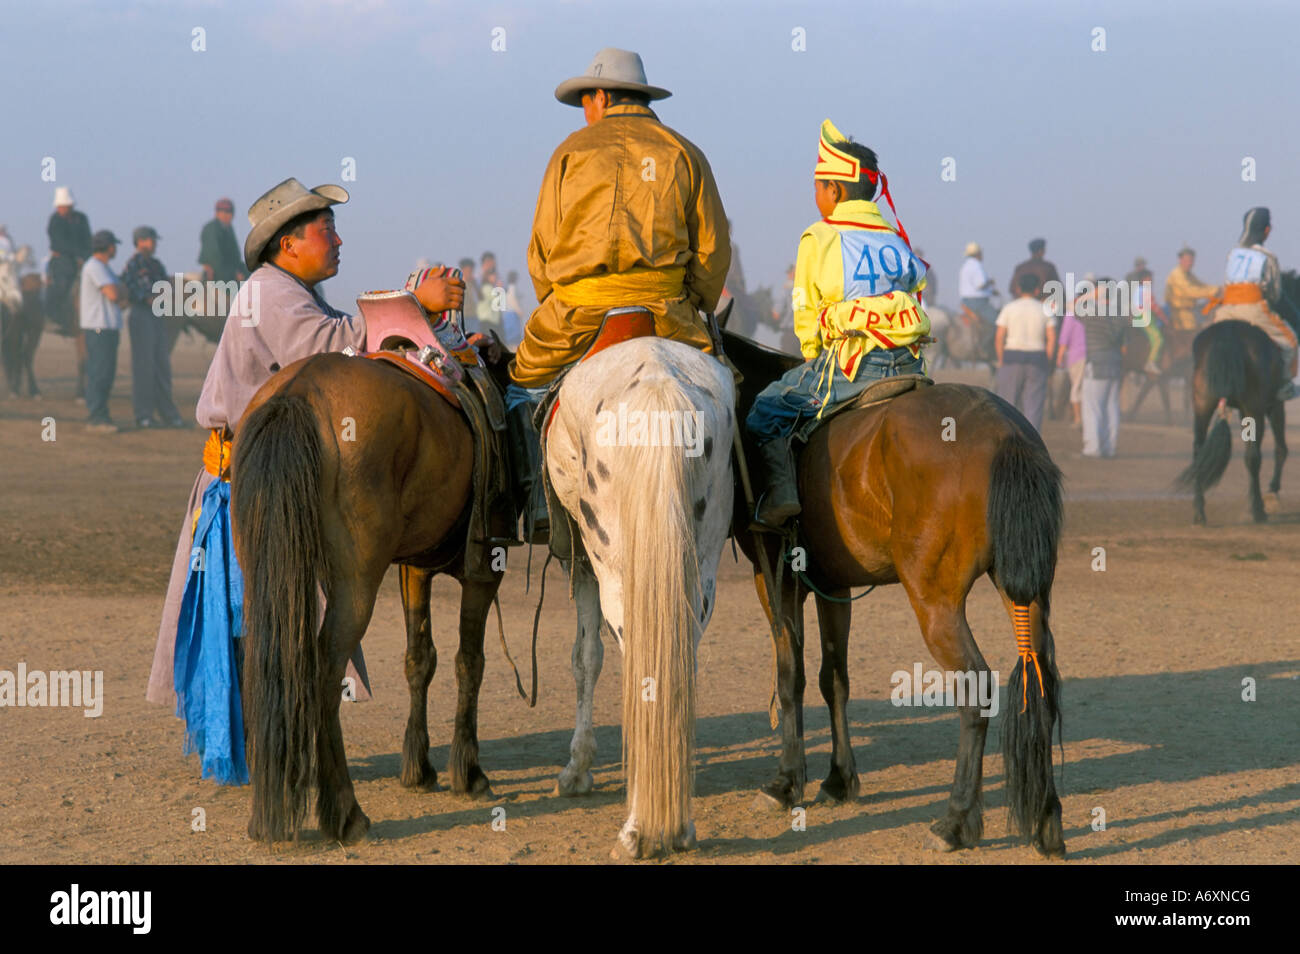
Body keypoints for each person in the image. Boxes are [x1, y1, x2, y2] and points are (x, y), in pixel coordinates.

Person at [146, 177, 464, 783]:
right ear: (288, 244)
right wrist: (413, 301)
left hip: (259, 478)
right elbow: (333, 349)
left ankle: (272, 753)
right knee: (259, 623)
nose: (339, 242)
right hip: (247, 486)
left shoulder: (286, 292)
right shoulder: (270, 293)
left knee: (264, 623)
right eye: (327, 232)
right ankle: (275, 755)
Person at [507, 47, 730, 538]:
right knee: (730, 392)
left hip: (576, 315)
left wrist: (556, 296)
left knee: (519, 390)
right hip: (667, 313)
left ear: (602, 96)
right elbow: (713, 254)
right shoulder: (685, 152)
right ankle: (750, 509)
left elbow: (541, 253)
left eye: (586, 100)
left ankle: (535, 501)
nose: (586, 113)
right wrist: (694, 301)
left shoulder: (570, 151)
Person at [746, 119, 928, 525]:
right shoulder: (895, 237)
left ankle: (780, 498)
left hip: (853, 367)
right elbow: (917, 286)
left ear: (835, 189)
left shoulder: (819, 236)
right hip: (910, 363)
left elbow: (806, 320)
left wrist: (813, 355)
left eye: (817, 186)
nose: (815, 195)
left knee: (765, 410)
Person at [1210, 207, 1297, 400]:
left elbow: (1227, 282)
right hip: (1253, 309)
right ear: (1266, 231)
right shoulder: (1268, 257)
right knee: (1290, 342)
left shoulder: (1232, 254)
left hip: (1225, 311)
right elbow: (1274, 294)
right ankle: (1284, 386)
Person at [120, 226, 185, 428]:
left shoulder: (156, 264)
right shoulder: (133, 264)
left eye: (153, 240)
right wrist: (155, 297)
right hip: (141, 316)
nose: (153, 243)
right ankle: (144, 415)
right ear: (139, 241)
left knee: (162, 367)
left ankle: (168, 414)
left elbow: (166, 288)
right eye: (149, 240)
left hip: (158, 316)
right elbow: (138, 292)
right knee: (144, 367)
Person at [994, 271, 1056, 432]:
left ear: (1019, 289)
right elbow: (1051, 339)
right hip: (1037, 359)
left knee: (1007, 405)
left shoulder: (1009, 308)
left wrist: (1001, 360)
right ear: (1037, 290)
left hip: (1012, 357)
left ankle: (1007, 439)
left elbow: (999, 337)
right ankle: (1031, 444)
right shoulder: (1045, 309)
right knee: (1034, 407)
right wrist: (1047, 362)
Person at [79, 230, 125, 432]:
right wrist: (122, 291)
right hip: (99, 327)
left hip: (106, 327)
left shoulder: (103, 268)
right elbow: (114, 293)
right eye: (113, 245)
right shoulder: (95, 266)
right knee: (99, 374)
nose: (115, 248)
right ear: (108, 247)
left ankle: (101, 415)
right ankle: (96, 417)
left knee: (105, 374)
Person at [1079, 278, 1127, 457]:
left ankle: (1093, 448)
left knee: (1093, 407)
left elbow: (1072, 306)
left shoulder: (1091, 312)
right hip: (1115, 362)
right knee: (1112, 407)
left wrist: (1092, 294)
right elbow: (1124, 344)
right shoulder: (1119, 315)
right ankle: (1109, 447)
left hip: (1096, 362)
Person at [46, 186, 92, 336]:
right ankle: (57, 318)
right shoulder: (55, 220)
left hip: (83, 258)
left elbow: (88, 239)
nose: (61, 209)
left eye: (64, 206)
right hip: (63, 261)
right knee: (62, 285)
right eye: (60, 207)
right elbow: (58, 243)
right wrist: (77, 255)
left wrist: (85, 256)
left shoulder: (82, 218)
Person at [1126, 257, 1169, 375]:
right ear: (1143, 279)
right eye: (1149, 279)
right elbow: (1154, 307)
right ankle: (1151, 362)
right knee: (1158, 339)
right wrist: (1165, 319)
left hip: (1142, 316)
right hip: (1144, 318)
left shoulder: (1139, 288)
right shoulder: (1144, 289)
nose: (1151, 280)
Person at [1164, 245, 1218, 332]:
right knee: (1190, 337)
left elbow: (1201, 285)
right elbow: (1190, 291)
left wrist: (1218, 289)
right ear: (1180, 260)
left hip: (1190, 312)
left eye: (1191, 260)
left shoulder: (1189, 275)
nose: (1189, 263)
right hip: (1179, 314)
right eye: (1186, 260)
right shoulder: (1177, 274)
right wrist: (1213, 291)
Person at [198, 197, 247, 286]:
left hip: (230, 269)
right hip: (218, 274)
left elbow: (235, 256)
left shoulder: (228, 229)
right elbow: (213, 259)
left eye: (229, 212)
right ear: (217, 213)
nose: (226, 215)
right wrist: (234, 274)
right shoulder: (211, 229)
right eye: (223, 212)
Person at [1055, 293, 1087, 427]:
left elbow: (1064, 338)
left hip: (1075, 356)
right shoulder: (1089, 316)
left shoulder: (1070, 317)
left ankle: (1078, 418)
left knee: (1076, 387)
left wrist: (1059, 357)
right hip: (1089, 355)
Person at [1009, 238, 1061, 303]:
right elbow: (1058, 290)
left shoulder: (1021, 268)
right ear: (1042, 251)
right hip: (1043, 305)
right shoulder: (1048, 267)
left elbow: (1012, 289)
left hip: (1023, 303)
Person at [958, 242, 997, 324]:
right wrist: (990, 282)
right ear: (978, 254)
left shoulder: (965, 265)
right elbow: (980, 284)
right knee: (996, 320)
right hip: (977, 301)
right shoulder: (976, 265)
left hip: (966, 300)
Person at [476, 250, 505, 339]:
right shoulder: (479, 279)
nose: (492, 264)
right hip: (486, 319)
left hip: (495, 318)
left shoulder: (495, 277)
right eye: (490, 262)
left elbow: (500, 304)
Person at [459, 257, 480, 333]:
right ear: (463, 270)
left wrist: (475, 284)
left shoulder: (472, 283)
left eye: (471, 271)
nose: (470, 273)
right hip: (463, 317)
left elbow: (480, 297)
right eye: (469, 271)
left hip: (473, 316)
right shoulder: (459, 283)